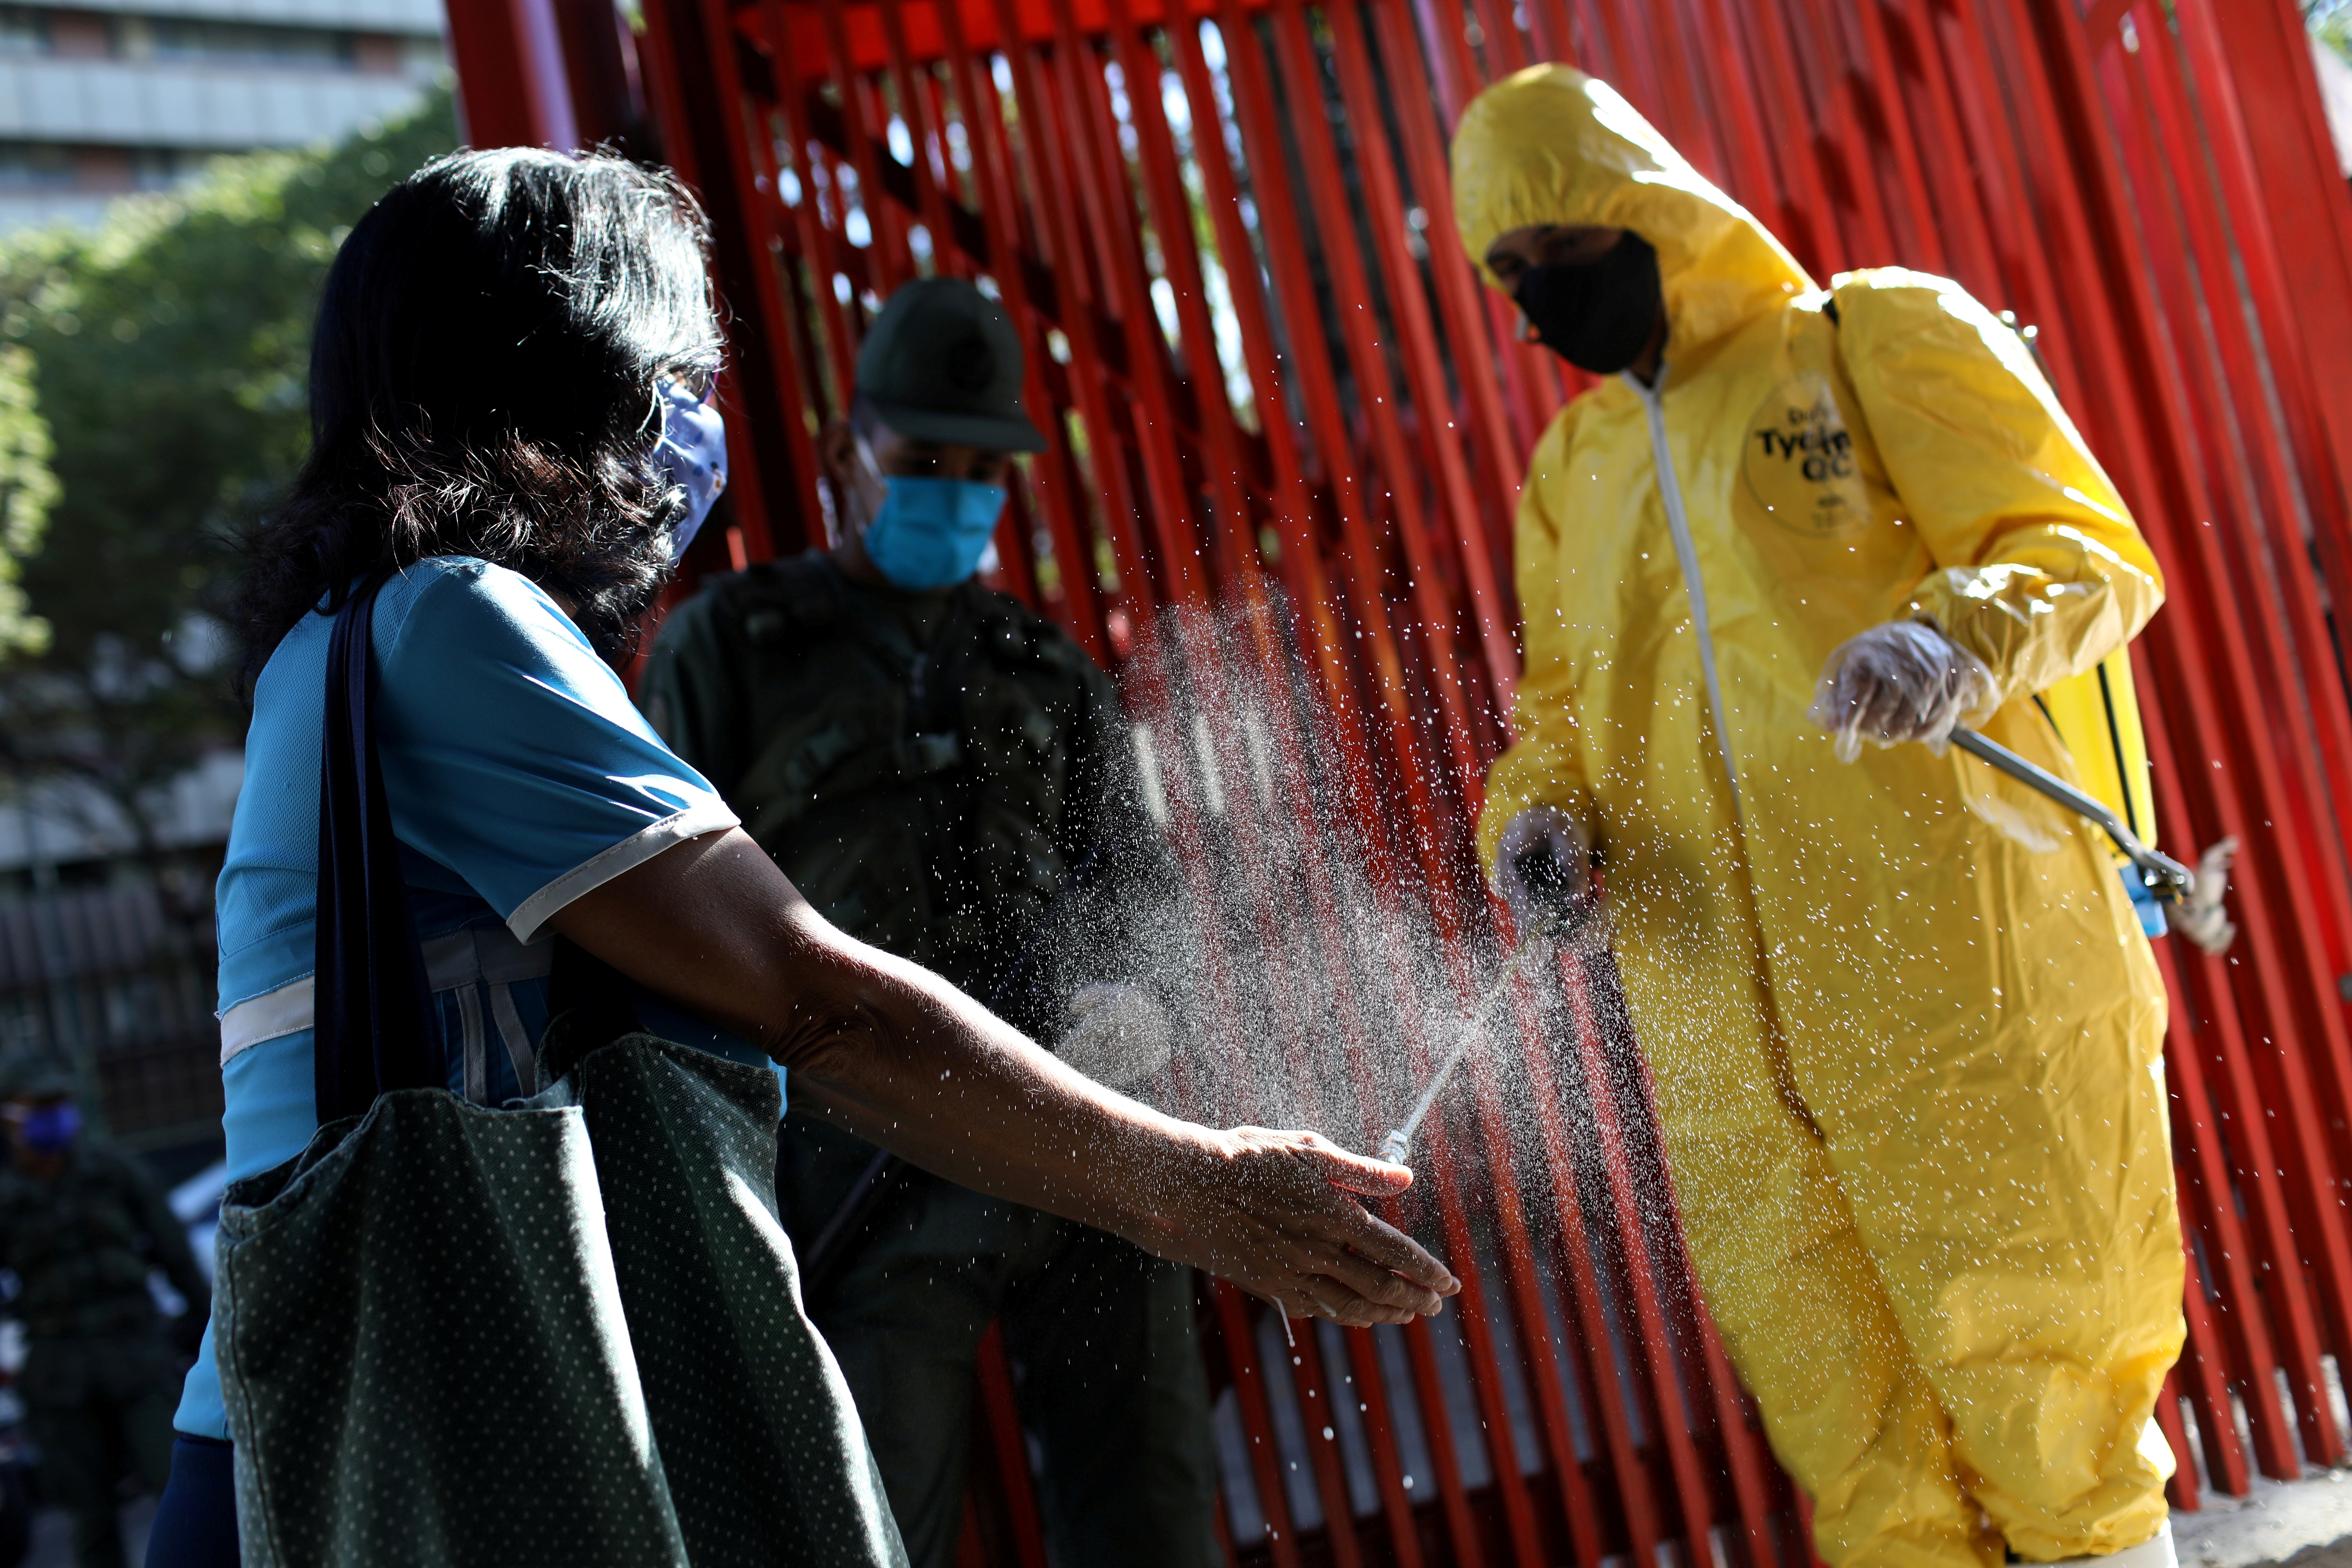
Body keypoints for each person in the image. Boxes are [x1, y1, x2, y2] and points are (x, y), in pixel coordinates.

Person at [144, 148, 1457, 1566]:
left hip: (345, 1431)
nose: (696, 433)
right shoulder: (454, 627)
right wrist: (1192, 1182)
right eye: (678, 383)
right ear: (580, 375)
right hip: (408, 1447)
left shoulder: (346, 641)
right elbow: (807, 993)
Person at [1452, 66, 2180, 1568]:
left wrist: (1953, 637)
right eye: (1513, 277)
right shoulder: (1571, 475)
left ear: (1647, 209)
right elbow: (1565, 718)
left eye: (1567, 254)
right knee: (1865, 1473)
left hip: (1968, 997)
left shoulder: (1864, 339)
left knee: (2064, 1428)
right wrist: (1533, 821)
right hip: (1729, 1048)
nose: (1543, 302)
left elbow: (2084, 547)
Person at [638, 275, 1218, 1568]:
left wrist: (1141, 1006)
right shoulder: (732, 646)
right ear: (852, 452)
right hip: (863, 1166)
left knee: (1156, 1509)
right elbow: (662, 923)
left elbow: (1139, 896)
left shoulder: (1046, 668)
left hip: (1077, 1140)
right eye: (924, 459)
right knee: (871, 1523)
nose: (953, 489)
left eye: (980, 467)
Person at [0, 1060, 206, 1567]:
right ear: (10, 1119)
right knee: (90, 1517)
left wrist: (210, 1336)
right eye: (40, 1109)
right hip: (59, 1371)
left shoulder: (113, 1172)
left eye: (59, 1106)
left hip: (135, 1354)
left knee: (181, 1487)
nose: (55, 1118)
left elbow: (175, 1254)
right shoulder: (6, 1197)